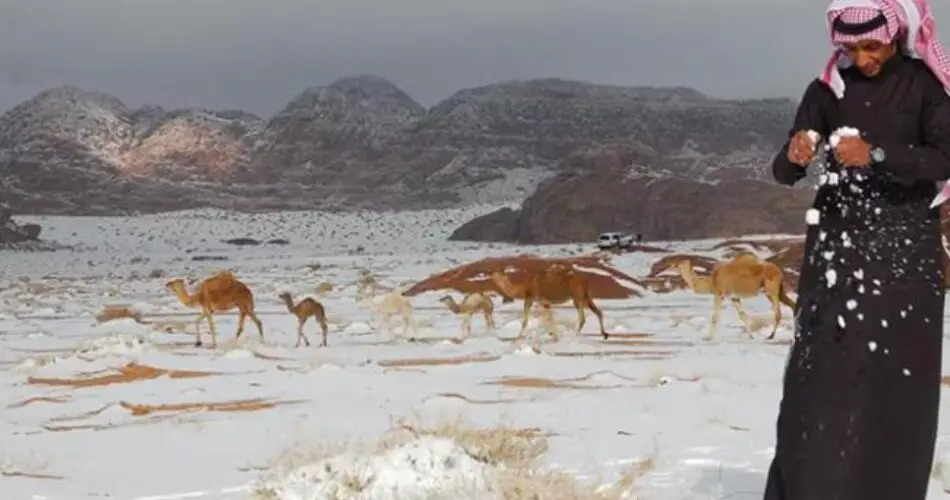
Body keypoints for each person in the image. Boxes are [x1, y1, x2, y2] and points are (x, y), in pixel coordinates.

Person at [766, 0, 950, 498]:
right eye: (851, 47)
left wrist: (880, 155)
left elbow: (945, 158)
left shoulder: (925, 87)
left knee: (894, 386)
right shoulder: (828, 90)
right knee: (821, 382)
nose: (862, 57)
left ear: (895, 35)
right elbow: (784, 173)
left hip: (905, 254)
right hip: (836, 255)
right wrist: (795, 153)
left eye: (872, 45)